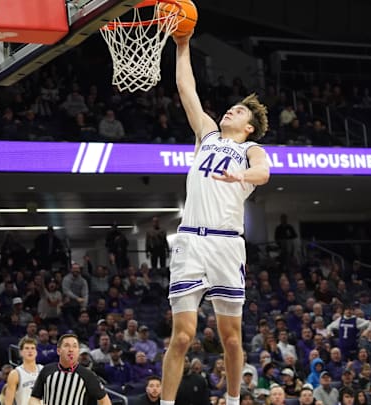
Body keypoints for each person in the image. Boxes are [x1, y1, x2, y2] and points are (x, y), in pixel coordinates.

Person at [160, 31, 270, 405]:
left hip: (226, 244)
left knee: (232, 338)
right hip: (190, 240)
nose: (230, 111)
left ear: (249, 126)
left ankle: (235, 400)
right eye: (231, 108)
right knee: (182, 336)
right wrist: (183, 45)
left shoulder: (252, 149)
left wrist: (242, 175)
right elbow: (185, 87)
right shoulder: (206, 135)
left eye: (239, 111)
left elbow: (264, 173)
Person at [29, 334, 111, 405]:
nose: (71, 350)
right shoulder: (46, 370)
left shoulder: (87, 375)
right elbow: (34, 398)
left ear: (78, 351)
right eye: (66, 345)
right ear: (58, 350)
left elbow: (105, 401)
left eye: (74, 346)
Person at [4, 337, 43, 405]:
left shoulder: (43, 370)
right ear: (21, 352)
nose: (30, 351)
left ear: (36, 352)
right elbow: (8, 402)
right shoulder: (15, 374)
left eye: (32, 348)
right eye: (27, 348)